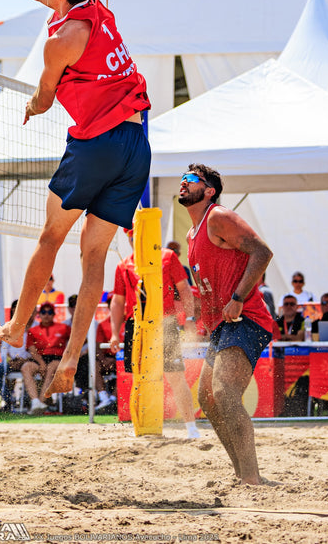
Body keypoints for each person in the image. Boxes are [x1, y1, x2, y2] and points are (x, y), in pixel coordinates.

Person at [0, 0, 151, 400]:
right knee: (93, 259)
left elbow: (45, 98)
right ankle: (69, 361)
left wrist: (31, 105)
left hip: (96, 146)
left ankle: (16, 324)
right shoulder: (95, 10)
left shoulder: (61, 40)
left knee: (50, 238)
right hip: (136, 144)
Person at [180, 164, 275, 485]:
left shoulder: (218, 216)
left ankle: (252, 477)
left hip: (247, 317)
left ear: (209, 191)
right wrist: (204, 321)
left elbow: (262, 252)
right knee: (208, 398)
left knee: (225, 392)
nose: (183, 182)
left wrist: (237, 297)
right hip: (224, 324)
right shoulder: (192, 234)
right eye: (183, 178)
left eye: (191, 180)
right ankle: (242, 473)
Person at [109, 232, 200, 439]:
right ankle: (141, 427)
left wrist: (190, 319)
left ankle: (191, 427)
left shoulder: (168, 257)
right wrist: (115, 333)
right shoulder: (124, 265)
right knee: (138, 379)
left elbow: (184, 289)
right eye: (132, 238)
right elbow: (117, 300)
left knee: (176, 376)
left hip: (164, 322)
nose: (135, 241)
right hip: (136, 325)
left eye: (137, 236)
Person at [20, 302, 71, 414]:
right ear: (39, 315)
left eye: (49, 312)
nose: (46, 315)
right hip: (40, 358)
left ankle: (41, 403)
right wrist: (41, 363)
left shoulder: (63, 328)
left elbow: (78, 341)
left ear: (54, 314)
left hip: (57, 359)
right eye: (43, 312)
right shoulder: (33, 331)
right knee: (26, 367)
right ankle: (35, 402)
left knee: (51, 367)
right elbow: (32, 350)